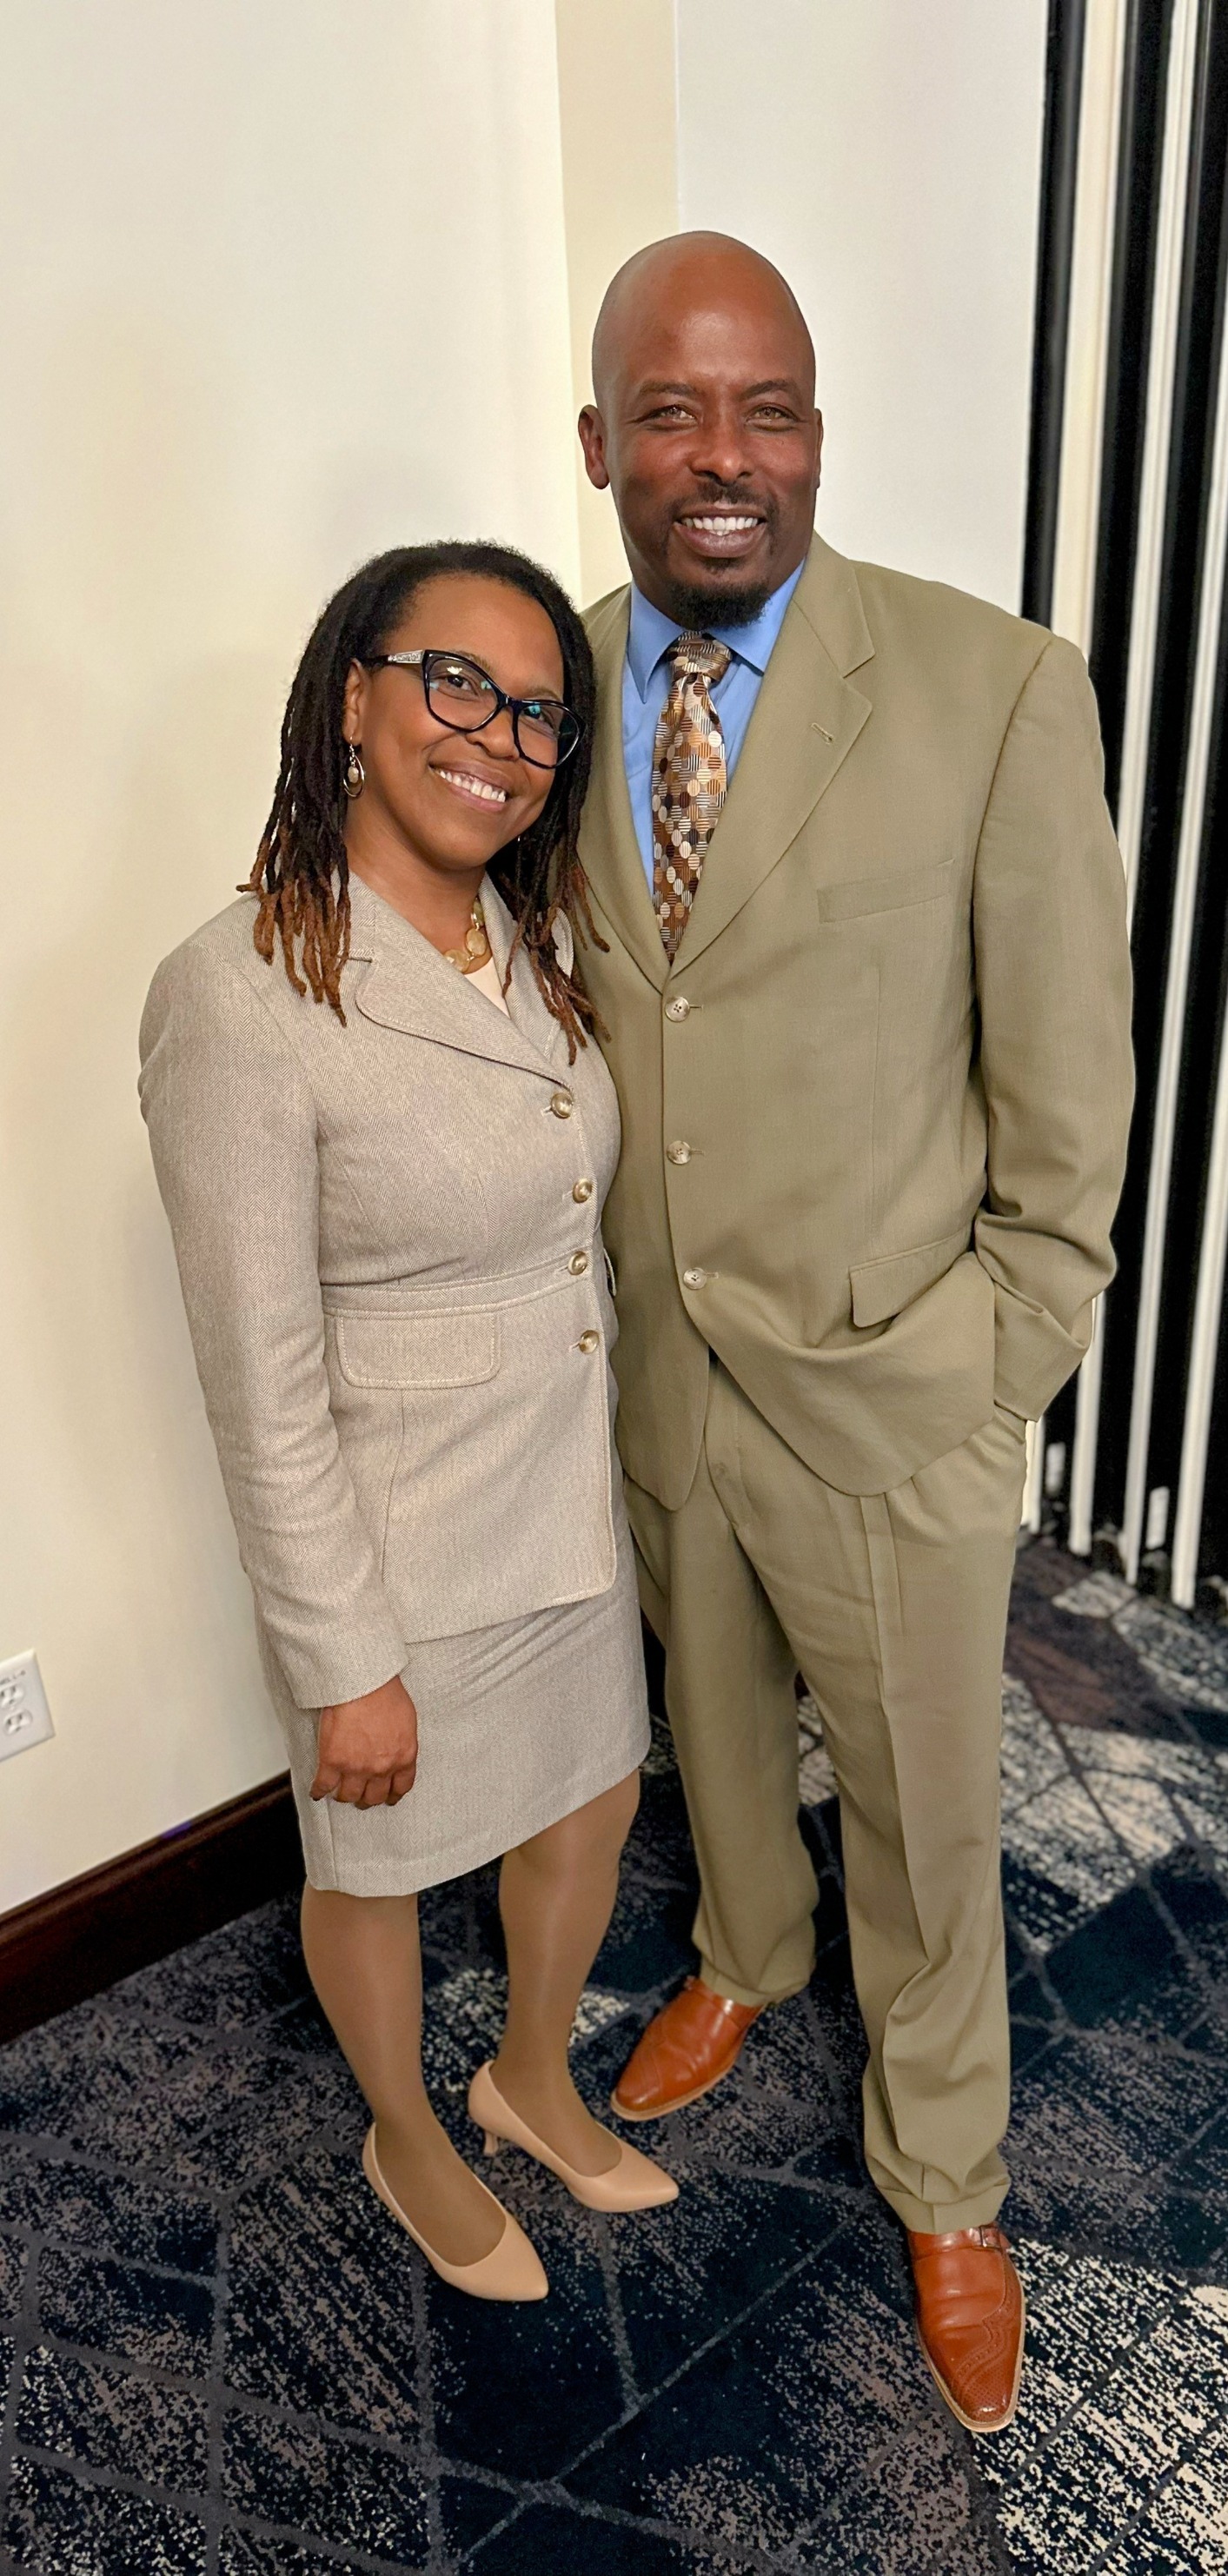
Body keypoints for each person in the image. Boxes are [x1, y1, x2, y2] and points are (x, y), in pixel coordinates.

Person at [571, 234, 1133, 2429]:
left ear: (816, 434)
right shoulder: (548, 686)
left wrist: (991, 1376)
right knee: (711, 1735)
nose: (722, 457)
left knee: (923, 1815)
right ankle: (742, 1952)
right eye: (672, 412)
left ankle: (947, 2170)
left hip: (897, 1391)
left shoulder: (993, 689)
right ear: (599, 442)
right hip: (665, 1374)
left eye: (766, 409)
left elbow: (1067, 1111)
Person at [139, 540, 677, 2306]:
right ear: (354, 700)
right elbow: (257, 1372)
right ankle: (405, 2131)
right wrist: (341, 1658)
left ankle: (526, 2080)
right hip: (397, 1548)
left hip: (562, 1501)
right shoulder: (240, 992)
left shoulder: (530, 938)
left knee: (590, 1802)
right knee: (372, 1867)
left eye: (535, 712)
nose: (497, 737)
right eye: (456, 683)